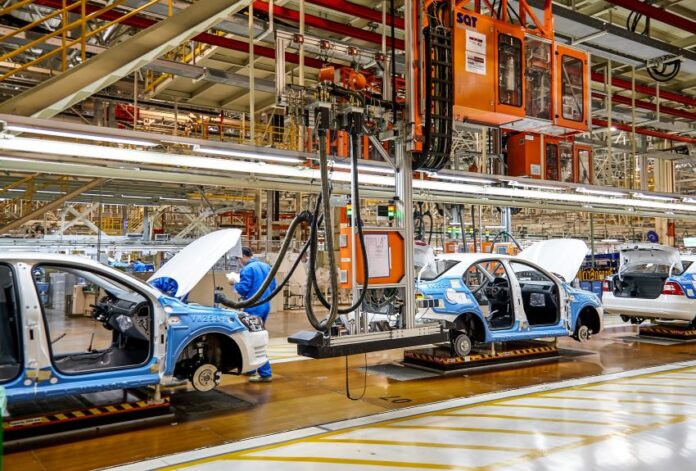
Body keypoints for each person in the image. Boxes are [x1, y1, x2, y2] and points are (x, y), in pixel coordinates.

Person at [231, 247, 276, 383]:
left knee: (252, 338)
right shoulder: (265, 266)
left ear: (243, 257)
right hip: (265, 305)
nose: (239, 263)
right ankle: (250, 369)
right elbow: (273, 285)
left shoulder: (248, 269)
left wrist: (234, 283)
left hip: (253, 306)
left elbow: (243, 289)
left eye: (239, 260)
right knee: (255, 335)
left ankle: (265, 372)